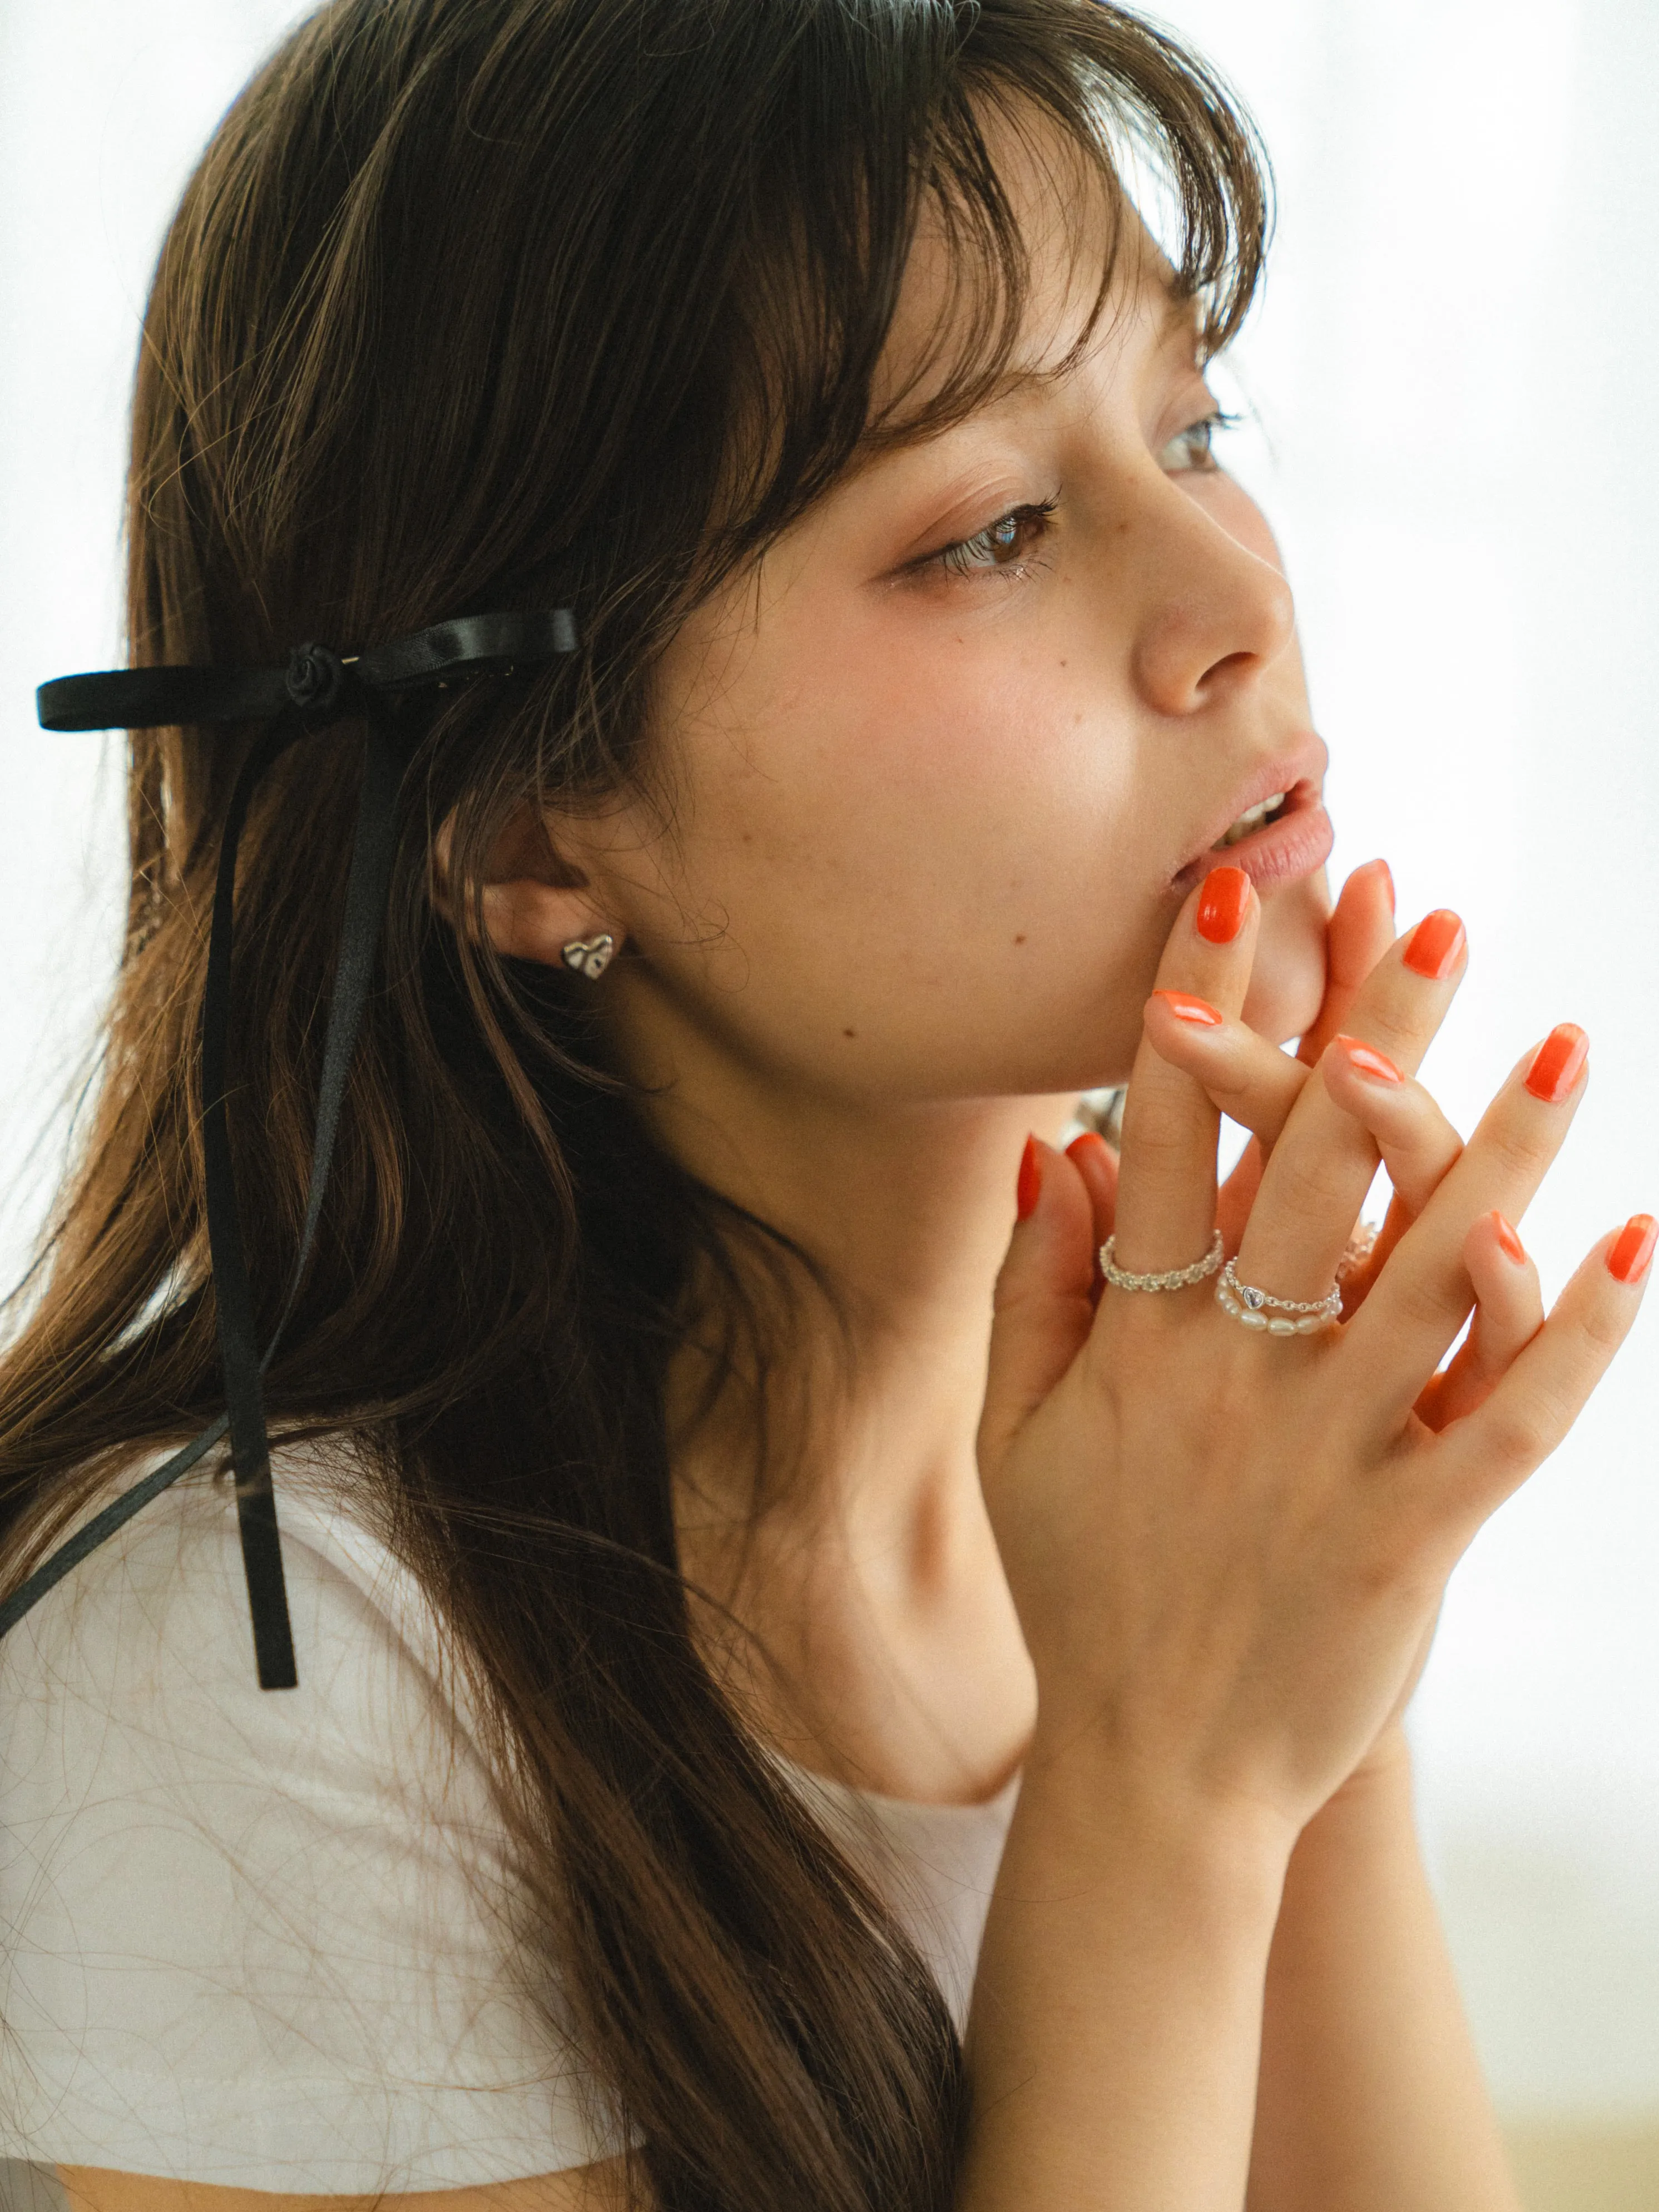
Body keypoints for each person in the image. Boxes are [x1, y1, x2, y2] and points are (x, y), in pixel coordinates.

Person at [0, 1, 1648, 2206]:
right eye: (989, 530)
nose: (1241, 606)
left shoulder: (1131, 1481)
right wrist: (1162, 1795)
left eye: (1197, 419)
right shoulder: (260, 1663)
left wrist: (1306, 1640)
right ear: (528, 834)